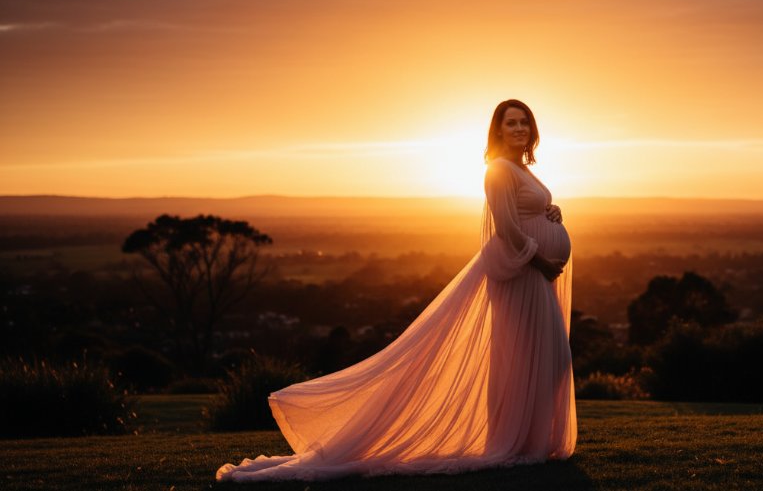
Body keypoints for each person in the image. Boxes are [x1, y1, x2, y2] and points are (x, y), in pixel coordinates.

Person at [216, 99, 576, 482]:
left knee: (544, 359)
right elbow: (505, 229)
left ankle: (529, 441)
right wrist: (541, 260)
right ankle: (514, 441)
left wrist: (550, 214)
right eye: (512, 123)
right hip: (522, 277)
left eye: (525, 122)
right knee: (524, 359)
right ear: (499, 130)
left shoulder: (521, 169)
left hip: (534, 276)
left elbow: (526, 213)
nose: (520, 129)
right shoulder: (499, 170)